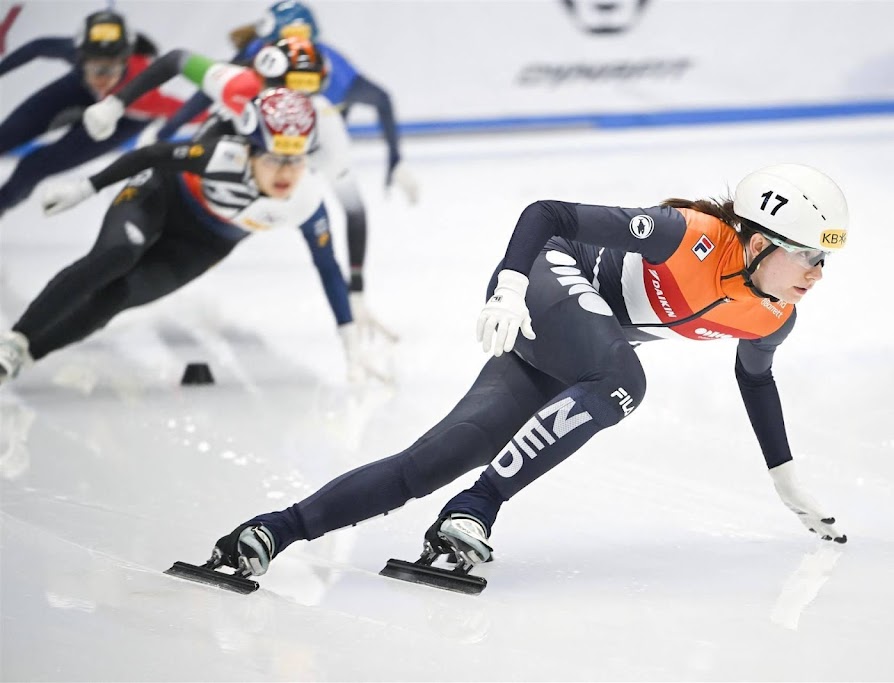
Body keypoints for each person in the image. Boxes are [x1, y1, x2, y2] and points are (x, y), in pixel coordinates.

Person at [201, 163, 851, 582]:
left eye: (825, 263)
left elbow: (756, 379)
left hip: (574, 348)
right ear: (759, 240)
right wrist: (509, 287)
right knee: (626, 380)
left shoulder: (771, 318)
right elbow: (550, 214)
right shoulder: (691, 235)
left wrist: (785, 478)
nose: (816, 275)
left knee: (425, 465)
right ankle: (477, 506)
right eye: (807, 257)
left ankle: (269, 529)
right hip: (546, 283)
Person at [0, 88, 380, 386]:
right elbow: (151, 155)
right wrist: (85, 187)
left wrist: (349, 341)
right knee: (117, 254)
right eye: (274, 159)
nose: (286, 173)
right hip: (161, 199)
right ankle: (15, 340)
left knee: (117, 297)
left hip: (204, 243)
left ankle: (24, 357)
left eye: (295, 160)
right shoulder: (222, 156)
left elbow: (328, 268)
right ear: (250, 151)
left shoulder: (306, 200)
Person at [81, 36, 396, 340]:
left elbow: (350, 210)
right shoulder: (241, 84)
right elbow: (181, 66)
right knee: (111, 265)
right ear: (265, 81)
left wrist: (355, 292)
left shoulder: (326, 128)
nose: (293, 109)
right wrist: (138, 115)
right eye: (288, 90)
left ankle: (84, 317)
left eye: (307, 95)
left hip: (225, 220)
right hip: (190, 193)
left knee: (124, 286)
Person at [158, 0, 418, 203]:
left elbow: (382, 100)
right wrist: (165, 132)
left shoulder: (337, 79)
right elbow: (210, 88)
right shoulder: (256, 52)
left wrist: (396, 159)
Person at [0, 9, 185, 218]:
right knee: (5, 136)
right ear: (81, 59)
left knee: (32, 167)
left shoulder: (145, 98)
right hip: (80, 91)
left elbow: (193, 109)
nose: (103, 78)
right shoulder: (76, 53)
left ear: (124, 63)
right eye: (97, 69)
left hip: (124, 118)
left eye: (110, 70)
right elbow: (38, 46)